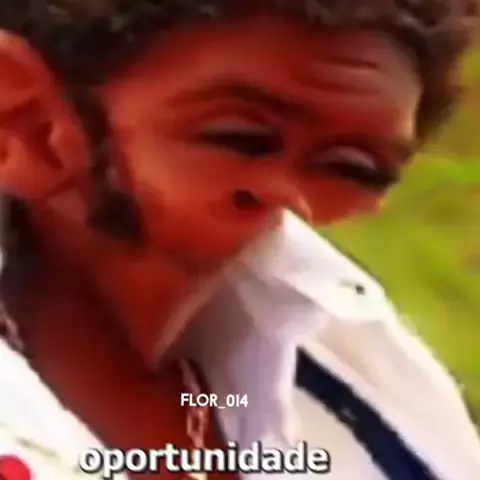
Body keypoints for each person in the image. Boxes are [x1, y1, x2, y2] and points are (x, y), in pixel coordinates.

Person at [0, 0, 479, 479]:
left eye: (352, 167)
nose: (293, 200)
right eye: (239, 138)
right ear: (27, 123)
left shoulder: (359, 372)